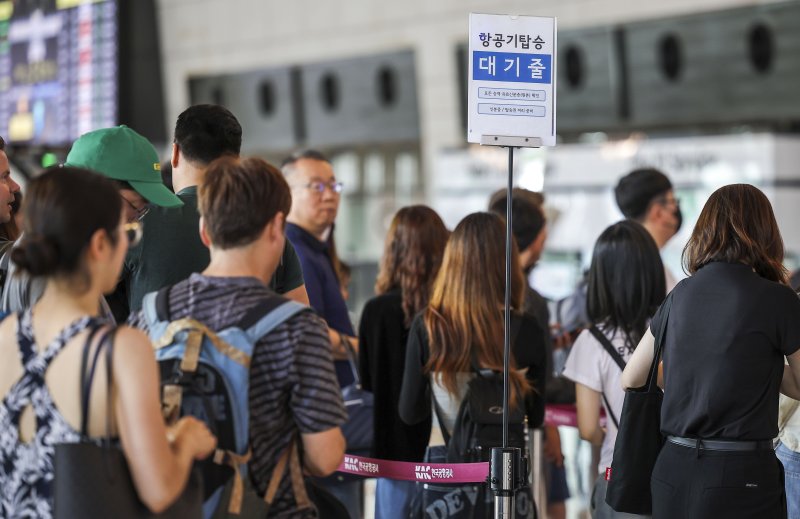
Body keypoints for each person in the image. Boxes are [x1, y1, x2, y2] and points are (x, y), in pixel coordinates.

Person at [132, 156, 347, 518]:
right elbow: (325, 458)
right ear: (277, 228)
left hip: (175, 505)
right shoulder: (297, 326)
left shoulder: (152, 314)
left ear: (205, 231)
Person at [0, 167, 215, 518]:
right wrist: (187, 441)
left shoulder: (6, 337)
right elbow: (159, 490)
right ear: (101, 244)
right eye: (128, 232)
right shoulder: (120, 349)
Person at [621, 184, 800, 519]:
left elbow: (632, 377)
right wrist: (760, 366)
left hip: (673, 467)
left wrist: (693, 370)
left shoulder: (681, 294)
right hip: (741, 474)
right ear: (765, 231)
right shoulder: (778, 299)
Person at [399, 212, 547, 514]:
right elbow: (537, 414)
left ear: (453, 262)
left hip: (446, 466)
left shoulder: (429, 326)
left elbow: (409, 413)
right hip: (508, 469)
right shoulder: (526, 329)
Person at [124, 105, 309, 318]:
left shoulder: (138, 224)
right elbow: (302, 318)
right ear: (237, 163)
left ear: (175, 153)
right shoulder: (269, 232)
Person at [1, 125, 183, 318]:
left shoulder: (65, 254)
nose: (136, 219)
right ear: (96, 192)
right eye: (136, 205)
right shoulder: (51, 269)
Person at [562, 220, 665, 519]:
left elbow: (588, 427)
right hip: (670, 473)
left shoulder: (591, 340)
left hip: (617, 477)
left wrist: (611, 435)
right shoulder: (672, 328)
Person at [281, 149, 361, 516]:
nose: (329, 194)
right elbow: (309, 335)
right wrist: (367, 350)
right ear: (287, 192)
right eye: (316, 186)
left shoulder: (316, 249)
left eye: (333, 184)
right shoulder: (294, 251)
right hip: (320, 416)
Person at [358, 205, 449, 519]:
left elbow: (368, 382)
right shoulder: (450, 312)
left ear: (392, 250)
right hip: (447, 455)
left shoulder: (375, 312)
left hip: (393, 454)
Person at [489, 188, 571, 519]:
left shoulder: (481, 293)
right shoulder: (528, 299)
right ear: (536, 237)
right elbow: (540, 381)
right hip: (525, 432)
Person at [614, 168, 681, 291]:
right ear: (658, 212)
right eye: (673, 201)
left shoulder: (619, 264)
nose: (676, 209)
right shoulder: (653, 271)